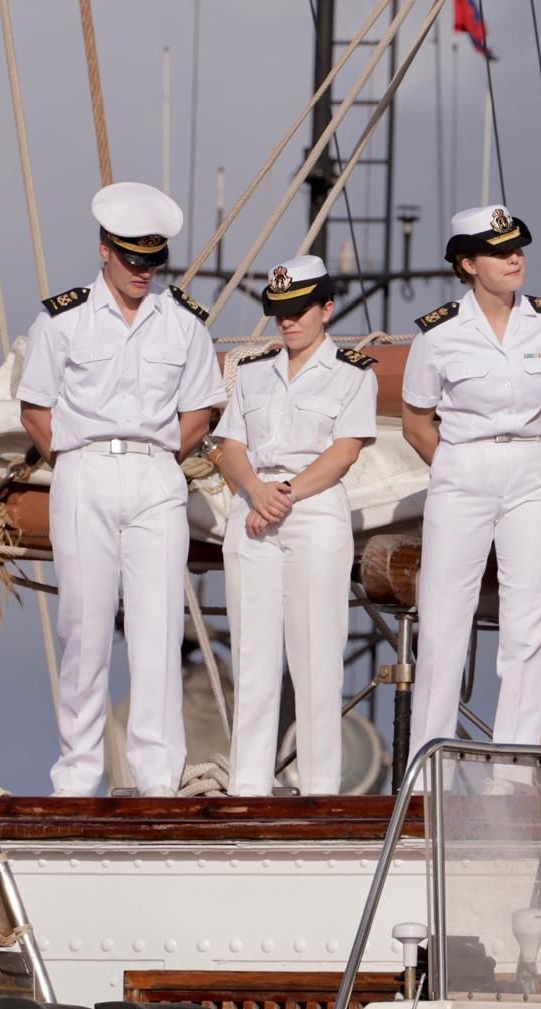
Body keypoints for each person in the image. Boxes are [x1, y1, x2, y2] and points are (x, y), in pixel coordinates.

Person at [18, 182, 224, 797]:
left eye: (154, 259)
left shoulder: (183, 323)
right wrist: (78, 459)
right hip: (82, 470)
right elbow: (35, 409)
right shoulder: (63, 318)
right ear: (105, 248)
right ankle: (77, 778)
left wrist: (158, 456)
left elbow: (201, 411)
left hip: (156, 472)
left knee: (158, 625)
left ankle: (157, 777)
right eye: (134, 257)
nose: (144, 271)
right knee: (82, 625)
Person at [401, 205, 541, 768]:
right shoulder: (440, 332)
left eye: (517, 247)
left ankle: (514, 764)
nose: (514, 257)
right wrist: (451, 467)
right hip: (463, 469)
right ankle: (428, 764)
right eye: (498, 252)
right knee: (444, 618)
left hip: (534, 472)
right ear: (468, 264)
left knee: (528, 622)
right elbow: (416, 419)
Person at [210, 256, 377, 796]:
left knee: (316, 656)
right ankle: (248, 787)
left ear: (327, 309)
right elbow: (229, 445)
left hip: (313, 508)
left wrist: (282, 495)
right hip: (253, 504)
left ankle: (321, 789)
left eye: (299, 310)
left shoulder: (353, 373)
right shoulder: (255, 371)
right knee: (253, 657)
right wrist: (256, 491)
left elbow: (345, 449)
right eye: (279, 311)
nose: (288, 321)